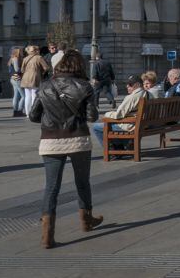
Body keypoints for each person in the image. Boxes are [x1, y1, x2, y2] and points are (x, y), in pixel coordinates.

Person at [29, 50, 103, 248]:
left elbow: (33, 116)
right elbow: (92, 117)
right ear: (79, 66)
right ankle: (87, 221)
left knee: (51, 187)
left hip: (51, 141)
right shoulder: (85, 86)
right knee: (82, 182)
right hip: (78, 139)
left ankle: (47, 236)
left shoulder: (44, 86)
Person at [90, 75, 147, 152]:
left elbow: (118, 115)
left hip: (131, 126)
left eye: (130, 84)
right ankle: (121, 145)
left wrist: (107, 114)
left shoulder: (132, 97)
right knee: (111, 124)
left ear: (138, 85)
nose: (127, 86)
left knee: (96, 127)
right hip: (143, 125)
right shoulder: (148, 94)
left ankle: (113, 151)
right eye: (127, 84)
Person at [21, 45, 51, 116]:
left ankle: (27, 113)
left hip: (25, 78)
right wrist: (41, 73)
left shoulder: (25, 58)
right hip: (35, 77)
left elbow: (22, 70)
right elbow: (46, 67)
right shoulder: (39, 57)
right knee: (34, 95)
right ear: (35, 51)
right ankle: (33, 113)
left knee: (27, 96)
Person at [8, 47, 24, 117]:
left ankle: (15, 111)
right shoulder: (15, 58)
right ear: (17, 52)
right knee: (24, 96)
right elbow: (17, 69)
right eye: (21, 51)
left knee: (16, 95)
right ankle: (20, 110)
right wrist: (24, 69)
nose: (22, 52)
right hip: (17, 79)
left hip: (13, 78)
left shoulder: (11, 58)